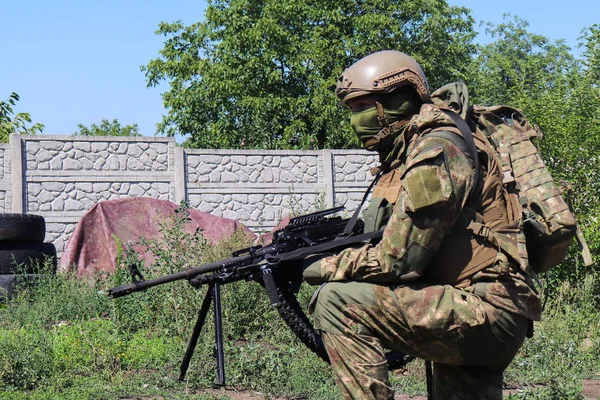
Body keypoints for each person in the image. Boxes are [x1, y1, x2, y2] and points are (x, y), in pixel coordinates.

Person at [302, 50, 542, 399]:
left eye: (361, 107)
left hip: (485, 312)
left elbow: (397, 260)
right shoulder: (432, 141)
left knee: (337, 300)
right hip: (491, 307)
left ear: (396, 101)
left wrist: (320, 265)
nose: (355, 120)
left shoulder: (437, 149)